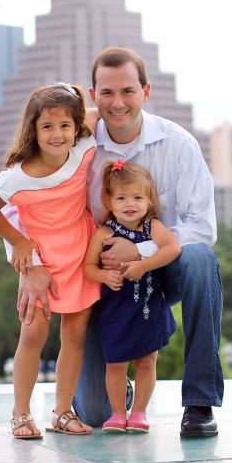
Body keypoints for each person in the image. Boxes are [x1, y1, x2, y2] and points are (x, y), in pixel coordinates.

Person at [17, 47, 223, 437]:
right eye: (107, 93)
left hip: (163, 272)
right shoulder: (74, 141)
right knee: (94, 413)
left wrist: (143, 250)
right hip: (100, 284)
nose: (118, 103)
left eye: (128, 91)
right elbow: (21, 198)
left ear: (146, 92)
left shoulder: (179, 145)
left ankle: (199, 402)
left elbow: (202, 226)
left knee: (200, 260)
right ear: (92, 98)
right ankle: (117, 389)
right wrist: (30, 264)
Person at [0, 82, 100, 439]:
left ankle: (62, 412)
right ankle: (20, 413)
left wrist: (73, 93)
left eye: (65, 126)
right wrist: (19, 243)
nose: (57, 134)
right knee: (33, 334)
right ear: (33, 129)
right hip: (41, 258)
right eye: (47, 126)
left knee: (75, 335)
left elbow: (94, 112)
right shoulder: (18, 175)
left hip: (80, 251)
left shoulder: (84, 148)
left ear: (76, 127)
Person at [83, 160, 180, 433]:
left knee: (147, 362)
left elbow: (172, 248)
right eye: (122, 197)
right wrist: (103, 276)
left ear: (149, 201)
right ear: (109, 201)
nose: (130, 204)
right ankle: (117, 413)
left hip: (149, 306)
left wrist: (142, 264)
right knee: (115, 364)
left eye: (138, 197)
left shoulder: (153, 227)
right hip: (116, 311)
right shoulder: (104, 233)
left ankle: (139, 412)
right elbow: (88, 268)